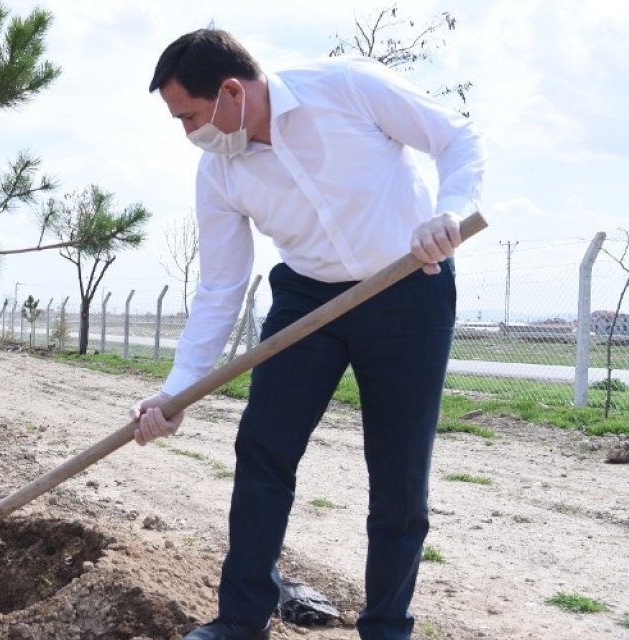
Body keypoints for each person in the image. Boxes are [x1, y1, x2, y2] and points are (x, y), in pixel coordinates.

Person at [131, 29, 485, 640]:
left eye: (189, 115)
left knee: (399, 475)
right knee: (263, 449)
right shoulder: (218, 171)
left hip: (408, 283)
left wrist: (450, 208)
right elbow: (219, 287)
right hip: (307, 299)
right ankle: (241, 620)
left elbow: (456, 136)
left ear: (232, 92)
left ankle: (386, 626)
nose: (188, 132)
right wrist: (177, 391)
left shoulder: (346, 86)